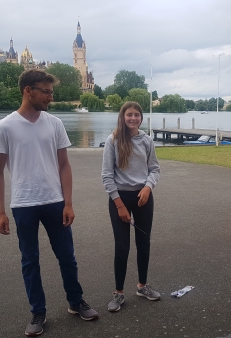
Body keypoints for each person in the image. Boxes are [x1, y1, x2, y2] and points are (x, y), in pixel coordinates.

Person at [0, 69, 98, 337]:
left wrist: (69, 202)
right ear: (29, 90)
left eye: (51, 92)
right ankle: (38, 312)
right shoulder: (5, 126)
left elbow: (64, 165)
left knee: (67, 258)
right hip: (24, 203)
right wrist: (0, 211)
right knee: (30, 261)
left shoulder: (55, 124)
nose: (51, 97)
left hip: (54, 201)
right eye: (46, 92)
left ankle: (76, 302)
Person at [101, 101, 161, 312]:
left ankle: (142, 286)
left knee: (143, 243)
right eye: (129, 115)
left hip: (143, 197)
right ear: (123, 117)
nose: (133, 118)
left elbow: (154, 169)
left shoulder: (147, 141)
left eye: (137, 115)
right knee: (122, 246)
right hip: (120, 198)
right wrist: (119, 204)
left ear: (141, 118)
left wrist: (147, 188)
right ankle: (118, 293)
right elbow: (107, 176)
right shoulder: (113, 140)